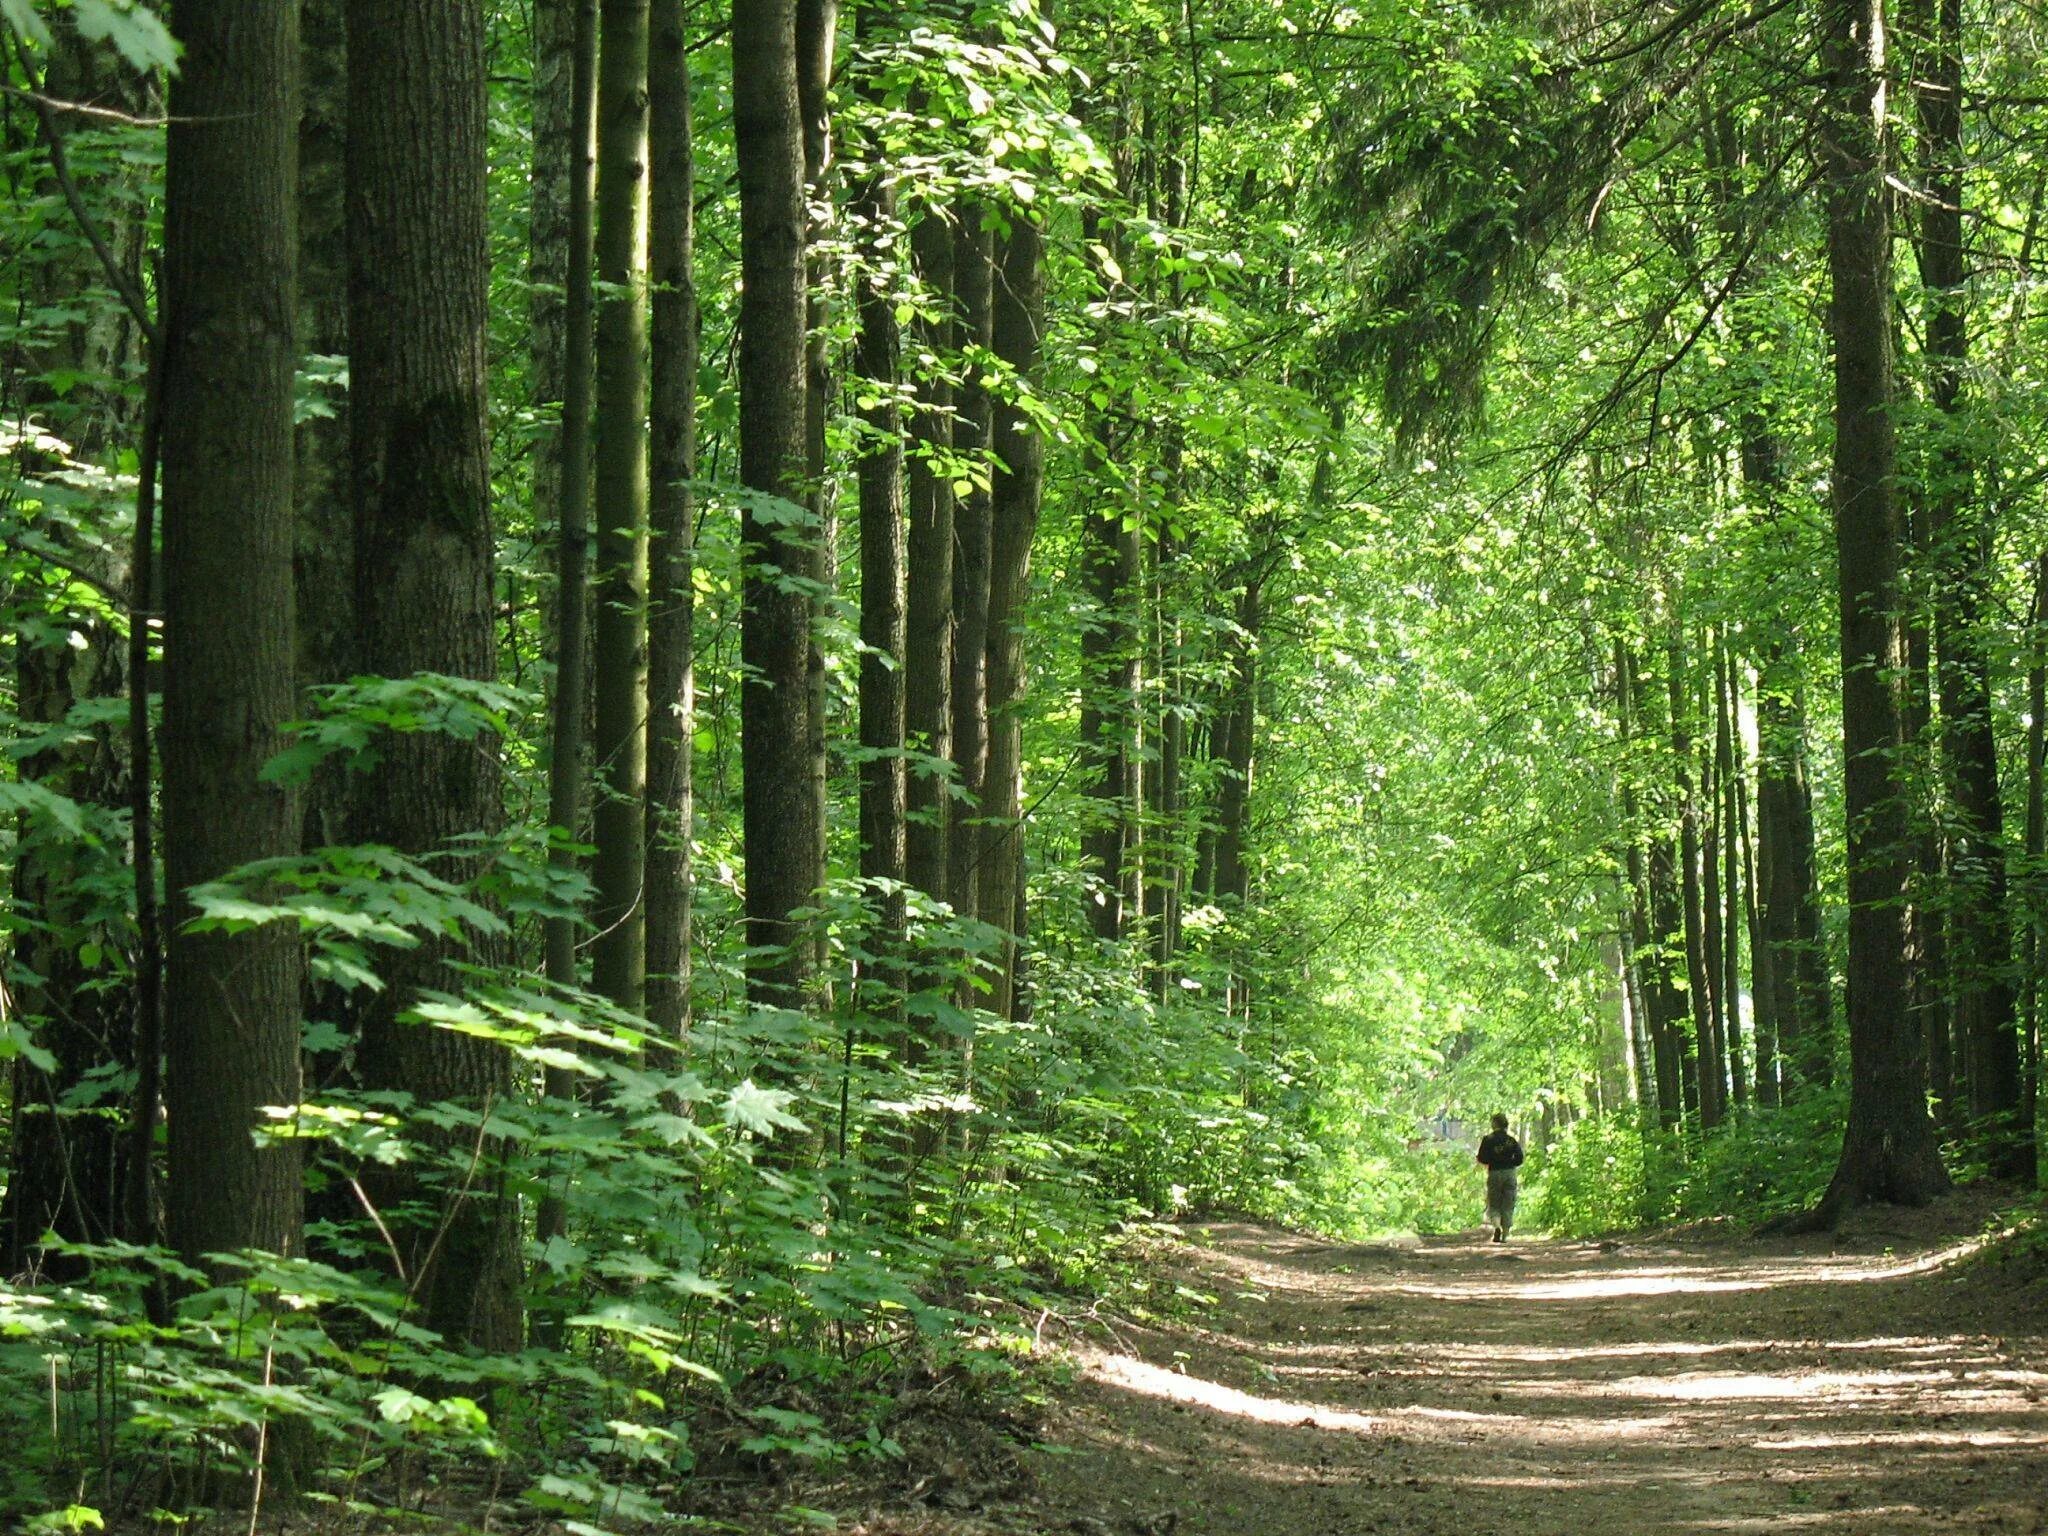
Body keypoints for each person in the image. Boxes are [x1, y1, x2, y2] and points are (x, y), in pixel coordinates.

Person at [1475, 1113, 1524, 1242]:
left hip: (1494, 1173)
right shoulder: (1511, 1140)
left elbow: (1481, 1158)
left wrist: (1492, 1161)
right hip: (1509, 1173)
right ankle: (1505, 1235)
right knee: (1508, 1204)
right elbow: (1520, 1158)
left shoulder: (1488, 1140)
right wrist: (1510, 1163)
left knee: (1494, 1203)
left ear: (1495, 1124)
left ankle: (1497, 1227)